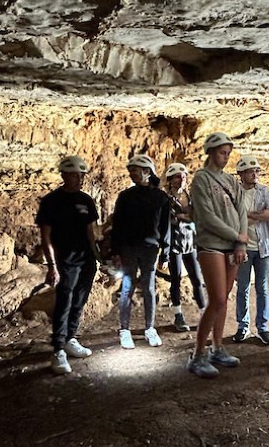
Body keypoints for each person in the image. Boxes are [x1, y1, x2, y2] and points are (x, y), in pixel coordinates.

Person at [187, 132, 248, 378]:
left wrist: (241, 242)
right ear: (211, 152)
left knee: (224, 298)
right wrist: (236, 235)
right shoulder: (200, 180)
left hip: (232, 246)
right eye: (222, 153)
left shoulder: (231, 181)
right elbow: (206, 215)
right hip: (212, 244)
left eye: (228, 153)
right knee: (218, 299)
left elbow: (242, 209)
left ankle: (217, 347)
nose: (226, 157)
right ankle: (198, 354)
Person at [37, 155, 100, 375]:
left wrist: (96, 258)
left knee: (79, 301)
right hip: (65, 260)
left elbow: (91, 232)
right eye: (74, 174)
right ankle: (57, 349)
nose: (79, 178)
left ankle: (70, 338)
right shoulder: (51, 201)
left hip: (86, 260)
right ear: (63, 175)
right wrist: (52, 265)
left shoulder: (86, 200)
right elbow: (46, 236)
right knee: (64, 301)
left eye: (81, 175)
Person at [111, 154, 171, 350]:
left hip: (150, 249)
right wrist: (115, 252)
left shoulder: (161, 198)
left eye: (134, 170)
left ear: (146, 171)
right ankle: (124, 330)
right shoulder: (125, 197)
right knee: (127, 287)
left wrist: (165, 253)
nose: (131, 174)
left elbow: (165, 227)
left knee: (149, 288)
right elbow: (117, 226)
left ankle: (149, 328)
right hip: (128, 248)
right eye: (130, 171)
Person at [233, 155, 269, 346]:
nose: (255, 174)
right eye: (251, 171)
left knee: (262, 288)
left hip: (263, 246)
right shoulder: (234, 194)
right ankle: (243, 326)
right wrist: (256, 216)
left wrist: (247, 216)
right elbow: (232, 219)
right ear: (241, 174)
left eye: (257, 170)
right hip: (243, 247)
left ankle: (263, 327)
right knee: (243, 287)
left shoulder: (265, 192)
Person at [164, 162, 206, 332]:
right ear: (170, 180)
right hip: (174, 243)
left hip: (190, 243)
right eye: (176, 177)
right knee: (176, 279)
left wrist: (182, 217)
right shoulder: (166, 199)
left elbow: (198, 217)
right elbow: (167, 221)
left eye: (182, 176)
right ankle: (178, 316)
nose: (180, 179)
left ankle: (204, 313)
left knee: (197, 279)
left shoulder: (190, 197)